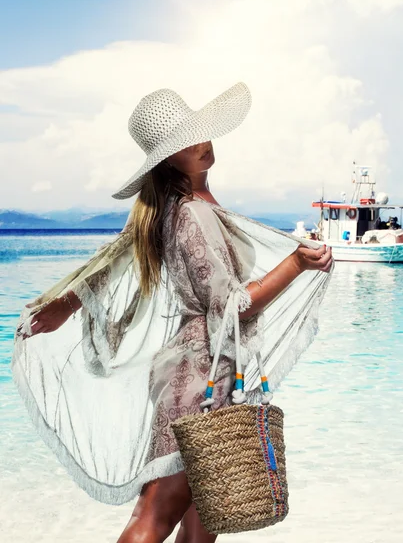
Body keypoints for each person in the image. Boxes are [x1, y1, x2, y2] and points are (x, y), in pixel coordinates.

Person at [13, 83, 333, 543]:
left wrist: (68, 303)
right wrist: (297, 263)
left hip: (211, 373)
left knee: (205, 524)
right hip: (197, 379)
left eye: (198, 132)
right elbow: (234, 307)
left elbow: (121, 256)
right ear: (167, 159)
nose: (200, 144)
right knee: (156, 516)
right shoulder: (190, 214)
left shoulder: (183, 208)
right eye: (182, 142)